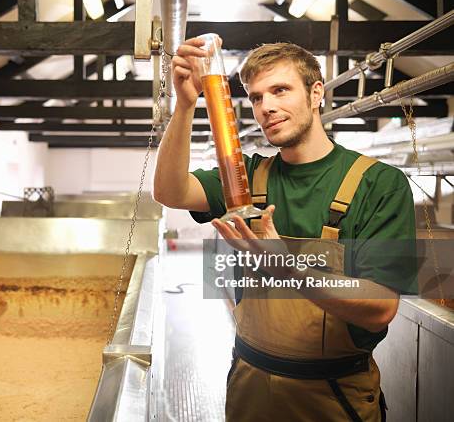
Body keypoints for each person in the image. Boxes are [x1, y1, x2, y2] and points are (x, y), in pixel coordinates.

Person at [153, 39, 416, 421]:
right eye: (256, 98)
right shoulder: (244, 178)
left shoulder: (377, 184)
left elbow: (380, 307)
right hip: (249, 388)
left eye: (280, 90)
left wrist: (288, 268)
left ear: (315, 94)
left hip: (332, 397)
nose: (267, 107)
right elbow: (169, 191)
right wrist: (185, 105)